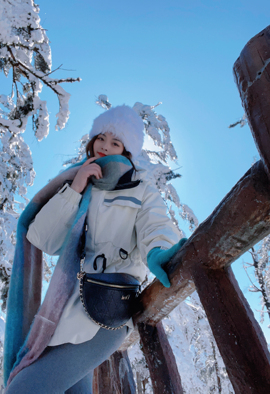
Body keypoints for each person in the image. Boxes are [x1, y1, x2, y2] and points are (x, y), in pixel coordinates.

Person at [4, 105, 187, 393]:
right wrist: (75, 188)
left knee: (23, 389)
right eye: (102, 138)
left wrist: (158, 253)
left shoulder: (140, 188)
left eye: (116, 142)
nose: (105, 146)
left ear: (127, 151)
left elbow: (156, 225)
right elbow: (43, 239)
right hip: (64, 314)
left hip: (106, 312)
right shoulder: (79, 182)